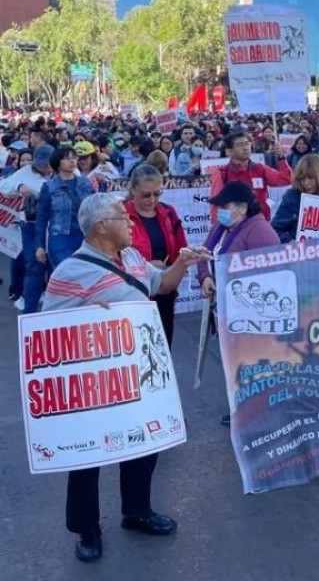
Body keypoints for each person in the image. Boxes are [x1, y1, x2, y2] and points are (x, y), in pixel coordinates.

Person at [41, 192, 212, 563]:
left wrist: (182, 262)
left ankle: (137, 512)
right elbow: (45, 331)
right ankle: (87, 529)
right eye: (124, 217)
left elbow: (161, 285)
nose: (132, 222)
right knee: (88, 457)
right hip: (93, 382)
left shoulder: (132, 257)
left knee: (141, 443)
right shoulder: (70, 272)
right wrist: (86, 313)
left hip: (136, 372)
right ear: (102, 226)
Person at [197, 182, 280, 425]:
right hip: (225, 309)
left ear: (242, 207)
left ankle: (258, 410)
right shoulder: (220, 228)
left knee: (253, 360)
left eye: (224, 206)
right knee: (234, 361)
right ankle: (242, 407)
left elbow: (270, 274)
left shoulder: (260, 232)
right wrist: (206, 277)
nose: (219, 211)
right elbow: (204, 254)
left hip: (249, 313)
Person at [124, 164, 188, 345]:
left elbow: (180, 249)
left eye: (157, 194)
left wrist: (177, 268)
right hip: (133, 292)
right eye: (146, 194)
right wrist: (145, 266)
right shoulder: (119, 213)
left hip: (164, 289)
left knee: (164, 343)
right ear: (133, 189)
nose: (152, 199)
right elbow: (111, 255)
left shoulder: (168, 212)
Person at [0, 144, 53, 312]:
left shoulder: (64, 169)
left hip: (56, 225)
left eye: (47, 163)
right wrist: (19, 187)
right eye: (41, 164)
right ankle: (29, 312)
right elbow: (4, 185)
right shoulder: (25, 172)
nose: (44, 167)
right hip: (32, 225)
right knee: (34, 267)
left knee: (56, 267)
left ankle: (56, 312)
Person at [36, 146, 96, 270]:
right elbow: (42, 218)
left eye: (74, 157)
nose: (72, 161)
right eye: (67, 158)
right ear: (57, 162)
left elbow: (95, 207)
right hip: (60, 238)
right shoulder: (49, 187)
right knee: (66, 275)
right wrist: (39, 245)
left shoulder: (85, 182)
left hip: (85, 237)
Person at [209, 131, 291, 221]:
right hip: (235, 226)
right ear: (229, 151)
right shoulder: (222, 173)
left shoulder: (260, 169)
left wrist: (281, 158)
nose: (245, 148)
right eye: (240, 145)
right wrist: (217, 228)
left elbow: (286, 179)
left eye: (247, 143)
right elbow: (216, 206)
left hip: (260, 222)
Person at [271, 153, 319, 243]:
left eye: (311, 178)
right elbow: (274, 230)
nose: (306, 183)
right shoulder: (291, 197)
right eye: (302, 179)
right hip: (301, 252)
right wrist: (289, 241)